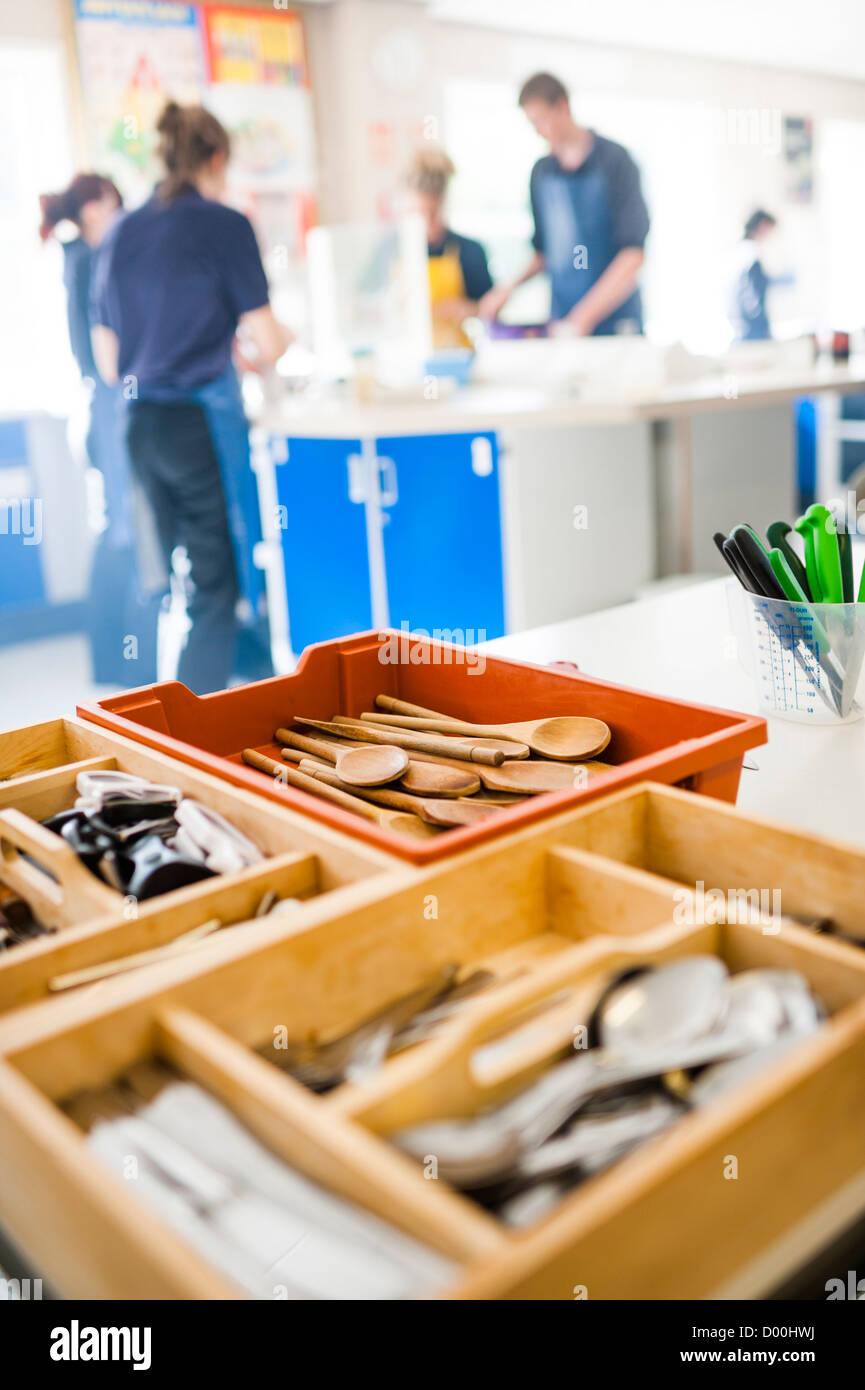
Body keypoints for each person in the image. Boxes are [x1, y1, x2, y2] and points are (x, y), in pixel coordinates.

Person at [91, 102, 291, 695]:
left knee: (164, 574)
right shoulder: (224, 223)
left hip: (140, 424)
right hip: (198, 425)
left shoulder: (123, 228)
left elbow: (110, 361)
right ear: (217, 158)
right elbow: (271, 343)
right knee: (218, 584)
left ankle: (162, 711)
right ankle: (191, 738)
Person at [39, 174, 160, 685]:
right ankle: (129, 662)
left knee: (117, 527)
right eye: (114, 205)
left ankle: (116, 660)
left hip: (100, 405)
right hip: (109, 406)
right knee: (125, 528)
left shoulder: (77, 257)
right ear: (93, 208)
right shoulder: (90, 259)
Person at [479, 72, 650, 336]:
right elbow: (543, 253)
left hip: (616, 326)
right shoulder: (542, 172)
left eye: (541, 121)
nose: (537, 132)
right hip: (562, 321)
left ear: (562, 106)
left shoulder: (615, 161)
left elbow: (632, 255)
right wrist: (506, 290)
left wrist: (584, 317)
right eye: (531, 124)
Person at [404, 147, 493, 349]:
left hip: (459, 356)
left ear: (444, 204)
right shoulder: (392, 253)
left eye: (433, 214)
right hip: (409, 358)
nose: (427, 224)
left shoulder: (471, 251)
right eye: (420, 215)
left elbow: (491, 309)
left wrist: (469, 309)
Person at [729, 209, 778, 341]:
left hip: (741, 329)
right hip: (751, 333)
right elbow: (753, 300)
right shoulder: (750, 255)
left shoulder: (739, 252)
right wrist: (763, 330)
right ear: (763, 225)